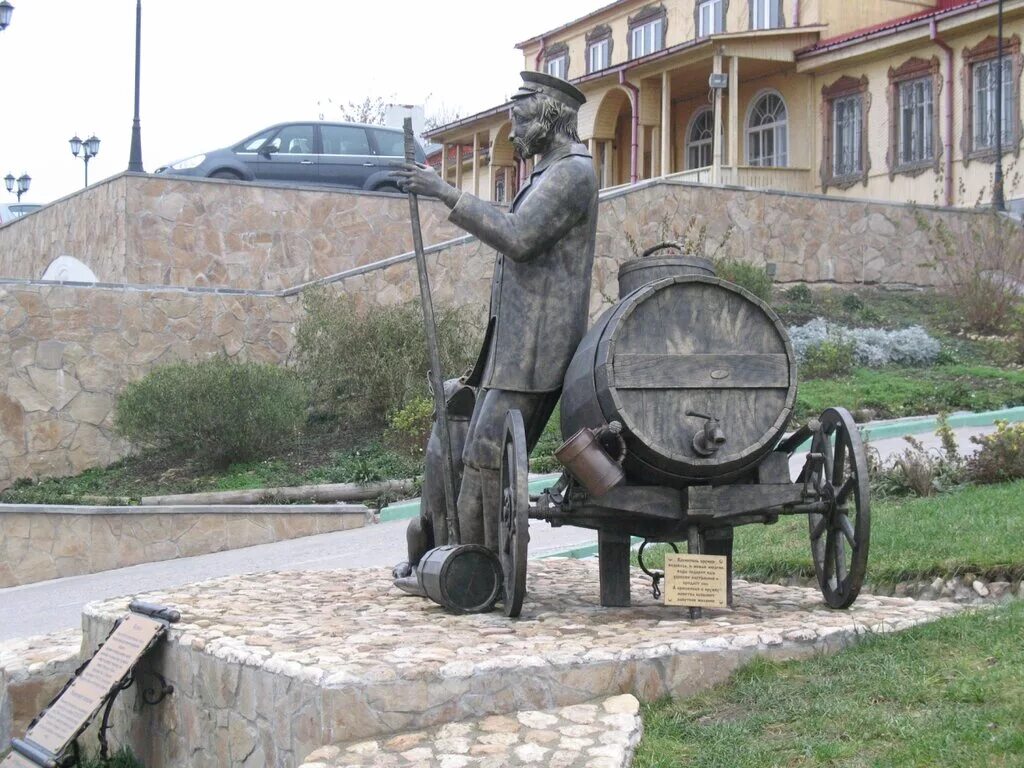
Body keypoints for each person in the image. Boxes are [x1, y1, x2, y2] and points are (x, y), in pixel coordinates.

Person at [392, 71, 599, 554]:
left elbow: (519, 236)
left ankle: (477, 565)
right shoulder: (549, 171)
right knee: (452, 431)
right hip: (510, 351)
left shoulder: (573, 172)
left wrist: (445, 192)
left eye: (520, 119)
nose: (514, 131)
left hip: (536, 354)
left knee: (487, 454)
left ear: (549, 117)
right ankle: (438, 551)